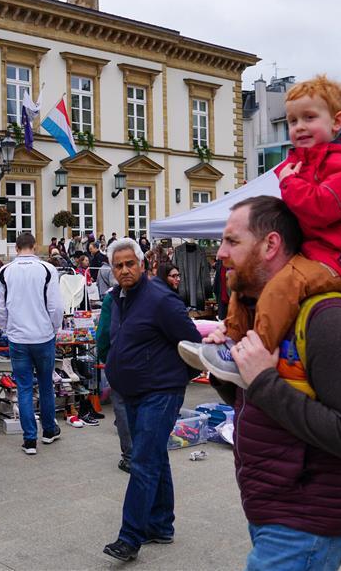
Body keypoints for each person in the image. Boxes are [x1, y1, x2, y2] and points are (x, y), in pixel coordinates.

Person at [203, 196, 341, 570]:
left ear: (270, 245)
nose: (220, 253)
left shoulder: (331, 319)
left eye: (232, 241)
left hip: (307, 522)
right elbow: (264, 405)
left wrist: (263, 380)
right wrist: (228, 371)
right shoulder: (265, 313)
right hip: (275, 509)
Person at [181, 74, 341, 375]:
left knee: (284, 284)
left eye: (309, 118)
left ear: (337, 122)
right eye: (292, 120)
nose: (299, 127)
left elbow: (322, 209)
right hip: (315, 253)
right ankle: (230, 340)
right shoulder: (303, 164)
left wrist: (290, 182)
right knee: (247, 279)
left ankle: (253, 353)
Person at [101, 238, 202, 562]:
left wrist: (173, 379)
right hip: (131, 391)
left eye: (130, 263)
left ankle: (130, 537)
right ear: (112, 270)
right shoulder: (118, 297)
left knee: (142, 460)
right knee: (154, 456)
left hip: (160, 392)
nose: (125, 270)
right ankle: (161, 525)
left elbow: (193, 343)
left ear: (142, 265)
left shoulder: (161, 299)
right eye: (119, 265)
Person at [0, 233, 64, 455]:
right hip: (43, 335)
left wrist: (7, 329)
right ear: (34, 246)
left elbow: (0, 308)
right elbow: (55, 306)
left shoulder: (5, 272)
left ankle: (30, 439)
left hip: (18, 338)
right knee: (45, 385)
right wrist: (54, 328)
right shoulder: (47, 270)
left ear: (16, 248)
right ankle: (49, 430)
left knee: (24, 387)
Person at [95, 286, 131, 473]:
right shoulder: (155, 293)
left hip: (120, 361)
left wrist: (106, 358)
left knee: (123, 406)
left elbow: (103, 334)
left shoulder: (113, 297)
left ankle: (130, 457)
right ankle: (145, 452)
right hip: (145, 362)